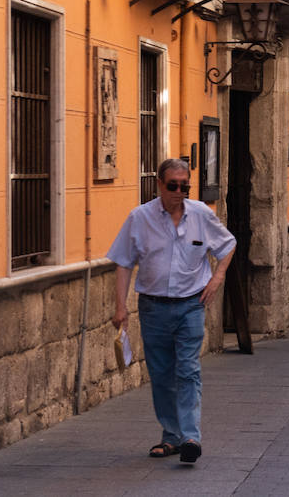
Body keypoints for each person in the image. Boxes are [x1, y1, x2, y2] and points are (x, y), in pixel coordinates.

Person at [109, 158, 235, 464]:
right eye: (173, 185)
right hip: (153, 308)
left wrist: (217, 278)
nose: (179, 191)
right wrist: (120, 306)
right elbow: (124, 262)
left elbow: (227, 245)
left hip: (191, 304)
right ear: (160, 185)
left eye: (185, 186)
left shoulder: (202, 215)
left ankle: (190, 436)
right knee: (162, 374)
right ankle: (171, 436)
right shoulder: (140, 218)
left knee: (188, 369)